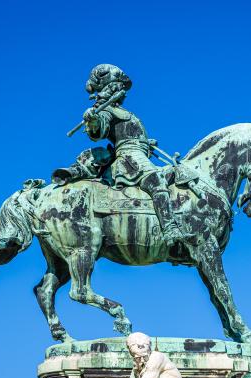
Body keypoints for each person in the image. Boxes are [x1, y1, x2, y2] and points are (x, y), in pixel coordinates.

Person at [81, 64, 189, 246]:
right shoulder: (105, 110)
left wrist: (146, 143)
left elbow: (130, 133)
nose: (124, 91)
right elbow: (97, 130)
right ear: (111, 87)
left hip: (140, 154)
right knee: (156, 181)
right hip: (129, 157)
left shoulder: (126, 113)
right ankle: (170, 229)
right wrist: (92, 119)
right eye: (120, 86)